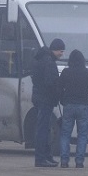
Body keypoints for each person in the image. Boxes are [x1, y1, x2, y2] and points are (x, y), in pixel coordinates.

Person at [55, 49, 88, 168]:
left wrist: (62, 100)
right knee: (82, 135)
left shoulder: (65, 72)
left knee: (65, 134)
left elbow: (59, 89)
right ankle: (79, 161)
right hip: (83, 106)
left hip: (68, 105)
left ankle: (64, 161)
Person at [30, 38, 64, 167]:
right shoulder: (49, 62)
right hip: (46, 99)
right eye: (61, 51)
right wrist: (58, 92)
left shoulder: (40, 59)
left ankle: (46, 157)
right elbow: (51, 83)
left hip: (39, 97)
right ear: (54, 50)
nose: (62, 54)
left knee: (44, 128)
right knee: (43, 129)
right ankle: (41, 158)